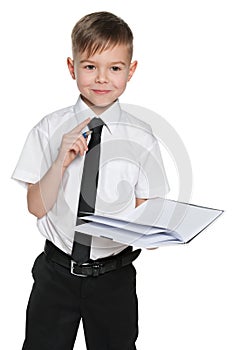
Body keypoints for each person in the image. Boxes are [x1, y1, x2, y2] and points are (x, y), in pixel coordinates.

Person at [12, 11, 169, 350]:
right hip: (56, 273)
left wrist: (159, 232)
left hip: (114, 277)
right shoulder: (48, 129)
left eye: (114, 68)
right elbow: (36, 208)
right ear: (72, 67)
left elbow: (149, 221)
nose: (101, 78)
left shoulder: (142, 138)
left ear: (131, 70)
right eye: (89, 66)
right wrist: (60, 161)